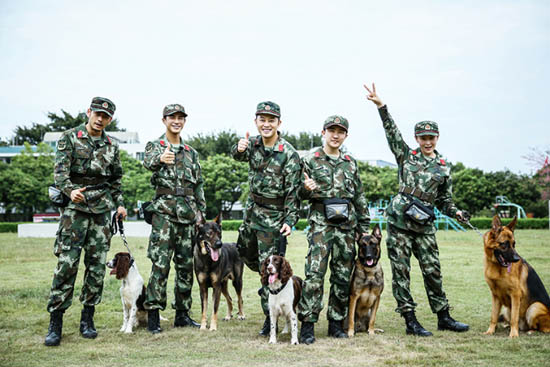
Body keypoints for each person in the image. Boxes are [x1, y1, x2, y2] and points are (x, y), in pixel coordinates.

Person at [364, 83, 469, 336]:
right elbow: (392, 133)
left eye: (431, 137)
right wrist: (382, 107)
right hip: (400, 223)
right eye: (423, 138)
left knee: (433, 271)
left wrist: (455, 212)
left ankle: (443, 316)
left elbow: (445, 200)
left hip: (424, 226)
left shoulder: (443, 167)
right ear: (416, 139)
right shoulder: (406, 155)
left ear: (437, 138)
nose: (428, 142)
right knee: (401, 273)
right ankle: (410, 320)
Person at [45, 97, 127, 346]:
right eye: (98, 114)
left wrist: (120, 203)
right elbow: (60, 172)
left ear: (110, 119)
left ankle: (87, 320)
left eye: (106, 116)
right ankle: (55, 322)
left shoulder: (112, 145)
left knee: (96, 267)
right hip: (75, 211)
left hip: (101, 212)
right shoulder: (69, 137)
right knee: (67, 265)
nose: (100, 119)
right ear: (89, 112)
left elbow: (116, 179)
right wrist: (70, 190)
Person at [297, 115, 371, 345]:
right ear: (323, 132)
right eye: (332, 131)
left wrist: (365, 226)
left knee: (341, 276)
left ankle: (336, 323)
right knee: (315, 274)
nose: (336, 135)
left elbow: (358, 195)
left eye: (340, 132)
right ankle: (308, 325)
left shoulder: (350, 162)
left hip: (346, 227)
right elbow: (297, 195)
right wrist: (305, 189)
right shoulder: (310, 160)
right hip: (321, 225)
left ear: (345, 135)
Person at [231, 101, 302, 336]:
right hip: (251, 214)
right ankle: (271, 301)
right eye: (262, 119)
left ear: (279, 123)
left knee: (267, 267)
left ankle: (268, 317)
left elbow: (293, 192)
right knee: (244, 252)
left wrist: (290, 220)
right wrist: (238, 148)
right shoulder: (252, 144)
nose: (266, 124)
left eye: (271, 120)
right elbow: (237, 156)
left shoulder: (289, 154)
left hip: (273, 219)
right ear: (256, 122)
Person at [142, 104, 206, 333]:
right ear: (164, 120)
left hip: (188, 217)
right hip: (165, 216)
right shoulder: (156, 146)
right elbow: (147, 162)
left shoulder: (191, 152)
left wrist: (201, 214)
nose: (176, 121)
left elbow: (198, 185)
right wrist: (161, 158)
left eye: (180, 118)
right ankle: (153, 316)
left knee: (186, 266)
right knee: (160, 265)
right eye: (172, 117)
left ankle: (182, 313)